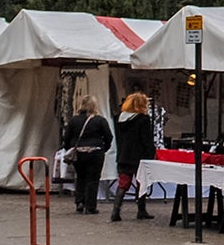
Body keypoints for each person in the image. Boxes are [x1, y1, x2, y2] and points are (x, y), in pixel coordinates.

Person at [62, 96, 113, 215]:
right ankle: (90, 206)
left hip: (79, 153)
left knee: (80, 177)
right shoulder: (100, 120)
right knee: (93, 179)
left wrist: (70, 150)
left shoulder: (74, 120)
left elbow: (67, 138)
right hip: (95, 152)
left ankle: (79, 202)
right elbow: (108, 137)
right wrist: (103, 149)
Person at [110, 91, 155, 221]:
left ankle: (116, 211)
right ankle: (141, 210)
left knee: (123, 183)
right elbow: (146, 140)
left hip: (124, 155)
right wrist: (151, 154)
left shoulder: (119, 118)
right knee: (141, 183)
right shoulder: (143, 119)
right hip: (140, 156)